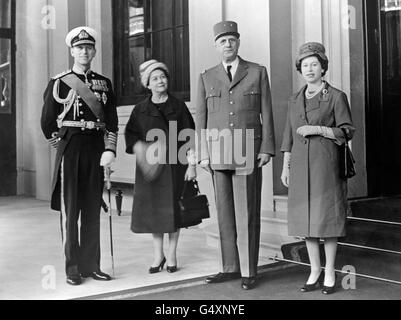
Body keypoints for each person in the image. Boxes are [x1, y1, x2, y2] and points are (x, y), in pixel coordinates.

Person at [196, 21, 275, 290]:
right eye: (222, 41)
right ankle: (229, 267)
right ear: (216, 45)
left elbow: (267, 112)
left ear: (238, 42)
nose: (227, 45)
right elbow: (201, 120)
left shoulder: (257, 72)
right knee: (225, 213)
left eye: (231, 40)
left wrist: (266, 147)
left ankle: (248, 270)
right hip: (218, 150)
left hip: (247, 149)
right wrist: (203, 154)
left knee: (247, 212)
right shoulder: (206, 76)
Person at [41, 26, 118, 286]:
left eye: (88, 47)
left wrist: (110, 150)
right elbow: (47, 122)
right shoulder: (59, 81)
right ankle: (72, 268)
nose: (84, 51)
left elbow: (113, 123)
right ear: (72, 51)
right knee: (71, 210)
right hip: (71, 149)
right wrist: (61, 147)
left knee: (92, 210)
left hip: (96, 149)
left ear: (94, 51)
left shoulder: (104, 83)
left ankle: (92, 266)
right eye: (79, 47)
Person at [281, 42, 355, 295]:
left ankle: (331, 273)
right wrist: (286, 166)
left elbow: (347, 131)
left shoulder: (336, 96)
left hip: (326, 166)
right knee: (306, 222)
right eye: (305, 65)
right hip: (300, 167)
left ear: (323, 67)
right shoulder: (294, 99)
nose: (309, 69)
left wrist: (319, 130)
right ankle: (314, 271)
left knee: (327, 221)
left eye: (314, 64)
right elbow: (287, 136)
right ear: (300, 69)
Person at [125, 59, 196, 274]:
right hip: (152, 169)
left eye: (163, 77)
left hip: (176, 166)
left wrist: (192, 166)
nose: (160, 81)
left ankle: (172, 254)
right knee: (155, 213)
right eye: (154, 78)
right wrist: (142, 150)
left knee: (174, 212)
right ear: (147, 84)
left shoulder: (179, 106)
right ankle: (158, 255)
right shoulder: (140, 109)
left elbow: (190, 136)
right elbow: (131, 135)